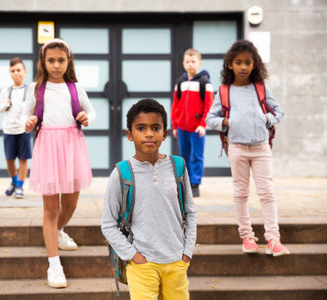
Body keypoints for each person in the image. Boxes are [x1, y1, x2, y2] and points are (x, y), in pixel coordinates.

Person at [102, 99, 197, 300]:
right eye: (141, 128)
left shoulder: (178, 166)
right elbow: (108, 224)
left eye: (155, 128)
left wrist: (186, 252)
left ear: (165, 133)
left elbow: (190, 212)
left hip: (177, 263)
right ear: (129, 134)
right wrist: (133, 256)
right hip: (142, 265)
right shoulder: (121, 173)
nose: (148, 134)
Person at [23, 38, 96, 288]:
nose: (56, 65)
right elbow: (26, 114)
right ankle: (54, 264)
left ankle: (58, 231)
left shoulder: (75, 87)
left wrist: (87, 116)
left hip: (72, 145)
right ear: (43, 62)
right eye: (51, 60)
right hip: (48, 147)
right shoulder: (36, 88)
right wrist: (29, 121)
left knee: (71, 204)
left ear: (68, 62)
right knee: (51, 209)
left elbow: (91, 111)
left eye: (61, 60)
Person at [206, 39, 289, 256]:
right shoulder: (224, 91)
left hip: (261, 148)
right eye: (239, 62)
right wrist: (228, 121)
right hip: (237, 148)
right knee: (241, 193)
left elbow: (279, 112)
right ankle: (247, 236)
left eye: (248, 62)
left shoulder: (260, 88)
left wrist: (266, 119)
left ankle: (273, 239)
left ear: (254, 65)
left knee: (267, 193)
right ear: (230, 65)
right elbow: (210, 119)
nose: (243, 67)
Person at [170, 48, 214, 197]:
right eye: (187, 62)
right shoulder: (180, 83)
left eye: (193, 61)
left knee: (196, 156)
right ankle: (185, 183)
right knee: (184, 156)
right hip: (182, 127)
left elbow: (209, 107)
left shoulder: (205, 83)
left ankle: (195, 184)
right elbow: (175, 105)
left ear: (199, 63)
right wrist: (175, 125)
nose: (190, 64)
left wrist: (203, 124)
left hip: (197, 128)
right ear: (183, 64)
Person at [0, 57, 32, 199]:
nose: (16, 73)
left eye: (18, 70)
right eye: (13, 71)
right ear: (9, 73)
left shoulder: (29, 91)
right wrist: (5, 103)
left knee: (23, 159)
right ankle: (14, 181)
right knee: (10, 159)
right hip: (9, 130)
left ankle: (20, 186)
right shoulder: (6, 91)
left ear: (24, 71)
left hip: (24, 130)